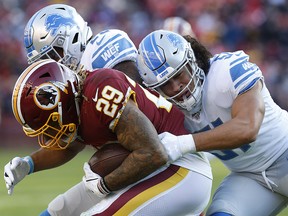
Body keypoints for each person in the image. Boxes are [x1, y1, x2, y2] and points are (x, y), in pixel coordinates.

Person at [7, 58, 212, 216]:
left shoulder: (101, 92)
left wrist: (104, 185)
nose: (48, 132)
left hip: (181, 168)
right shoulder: (79, 103)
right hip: (152, 169)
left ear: (61, 101)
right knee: (60, 209)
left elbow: (152, 153)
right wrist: (29, 164)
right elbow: (70, 146)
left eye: (49, 123)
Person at [136, 29, 288, 216]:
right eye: (165, 84)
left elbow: (248, 128)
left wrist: (183, 143)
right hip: (249, 178)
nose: (176, 87)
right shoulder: (168, 110)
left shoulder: (225, 71)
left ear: (191, 61)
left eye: (178, 75)